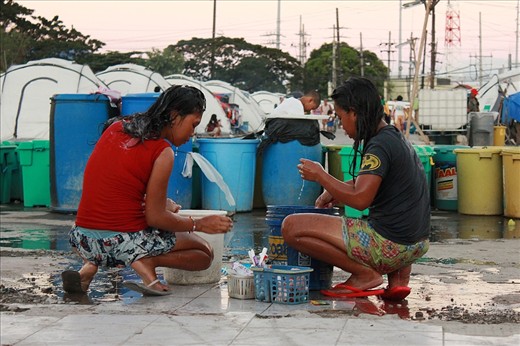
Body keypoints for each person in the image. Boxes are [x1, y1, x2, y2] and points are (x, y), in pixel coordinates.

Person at [62, 85, 234, 296]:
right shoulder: (162, 151)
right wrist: (198, 223)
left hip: (82, 240)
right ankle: (146, 261)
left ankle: (88, 268)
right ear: (174, 116)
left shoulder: (117, 128)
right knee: (204, 253)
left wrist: (163, 204)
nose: (192, 133)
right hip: (122, 244)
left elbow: (119, 188)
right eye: (193, 124)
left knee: (111, 232)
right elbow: (154, 217)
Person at [282, 77, 430, 300]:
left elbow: (360, 199)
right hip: (416, 244)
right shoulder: (393, 137)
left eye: (341, 118)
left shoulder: (379, 145)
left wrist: (322, 176)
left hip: (390, 244)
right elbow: (370, 182)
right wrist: (334, 190)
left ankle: (365, 275)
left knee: (291, 226)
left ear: (354, 113)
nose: (342, 126)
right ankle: (398, 279)